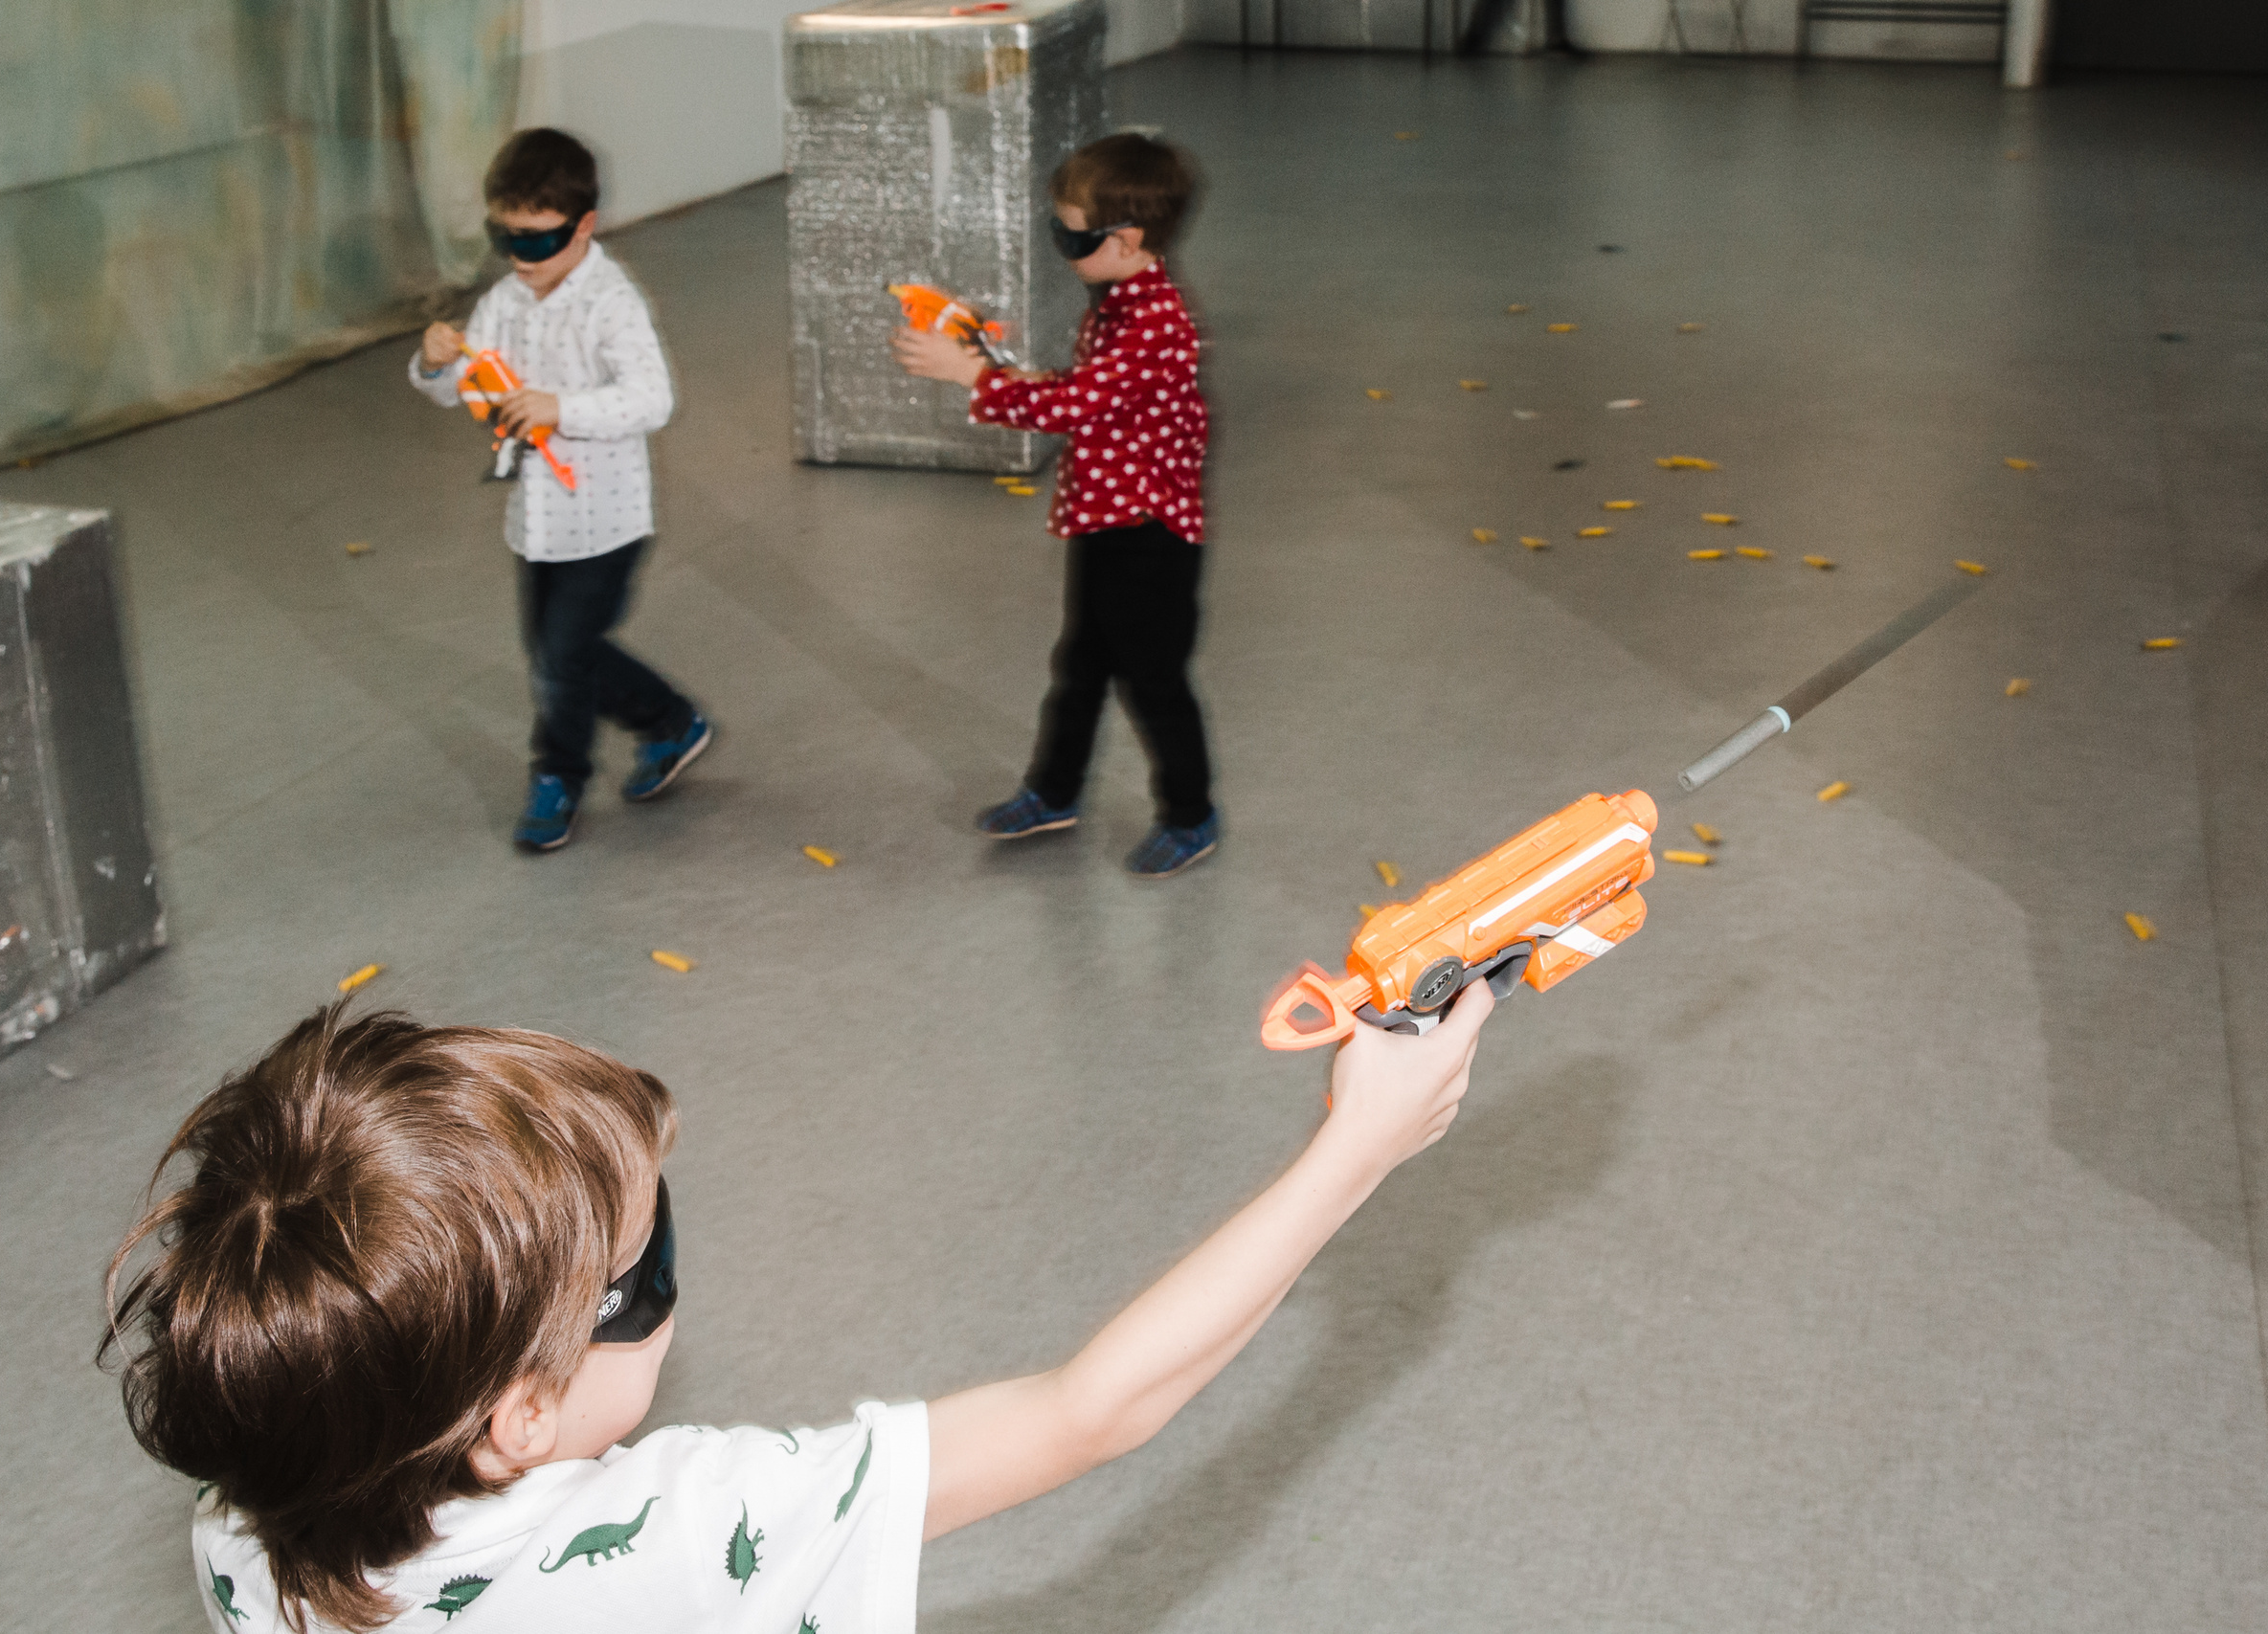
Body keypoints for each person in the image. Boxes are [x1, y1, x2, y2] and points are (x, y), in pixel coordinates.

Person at [102, 983, 1496, 1633]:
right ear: (522, 1405)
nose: (670, 1286)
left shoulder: (248, 1504)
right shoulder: (686, 1529)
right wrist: (1351, 1154)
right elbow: (1089, 1407)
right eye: (643, 1270)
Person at [893, 134, 1218, 879]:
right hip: (1107, 521)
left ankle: (1190, 813)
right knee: (1080, 664)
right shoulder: (1117, 298)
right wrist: (1005, 367)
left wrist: (972, 375)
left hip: (1150, 537)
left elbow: (1076, 403)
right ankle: (1054, 790)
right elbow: (1089, 390)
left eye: (1070, 231)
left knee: (1153, 679)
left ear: (1126, 239)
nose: (1060, 242)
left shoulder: (1157, 320)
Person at [411, 128, 712, 854]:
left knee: (563, 653)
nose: (520, 255)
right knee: (553, 649)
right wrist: (432, 365)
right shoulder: (503, 301)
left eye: (538, 240)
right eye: (502, 236)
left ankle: (559, 775)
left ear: (584, 227)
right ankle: (669, 720)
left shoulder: (612, 302)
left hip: (608, 520)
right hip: (536, 519)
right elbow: (461, 390)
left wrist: (562, 408)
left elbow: (652, 398)